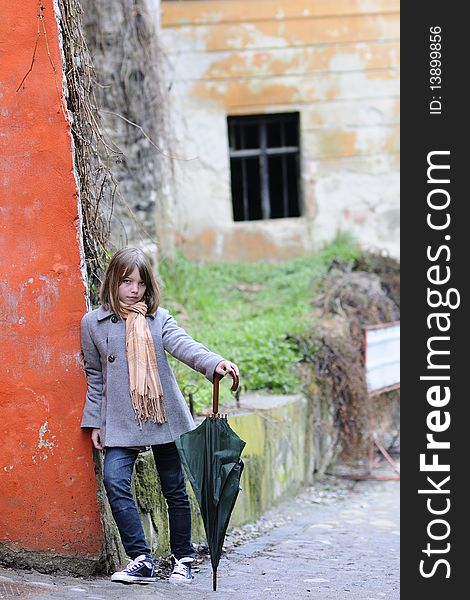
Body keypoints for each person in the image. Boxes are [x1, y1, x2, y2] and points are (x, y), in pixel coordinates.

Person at [80, 247, 239, 585]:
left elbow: (185, 346)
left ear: (148, 286)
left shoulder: (158, 319)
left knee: (175, 490)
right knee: (114, 480)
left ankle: (182, 556)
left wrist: (214, 363)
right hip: (121, 420)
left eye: (140, 282)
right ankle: (140, 558)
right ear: (112, 282)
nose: (134, 289)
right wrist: (94, 421)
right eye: (126, 281)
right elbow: (95, 377)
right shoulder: (93, 323)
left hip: (162, 415)